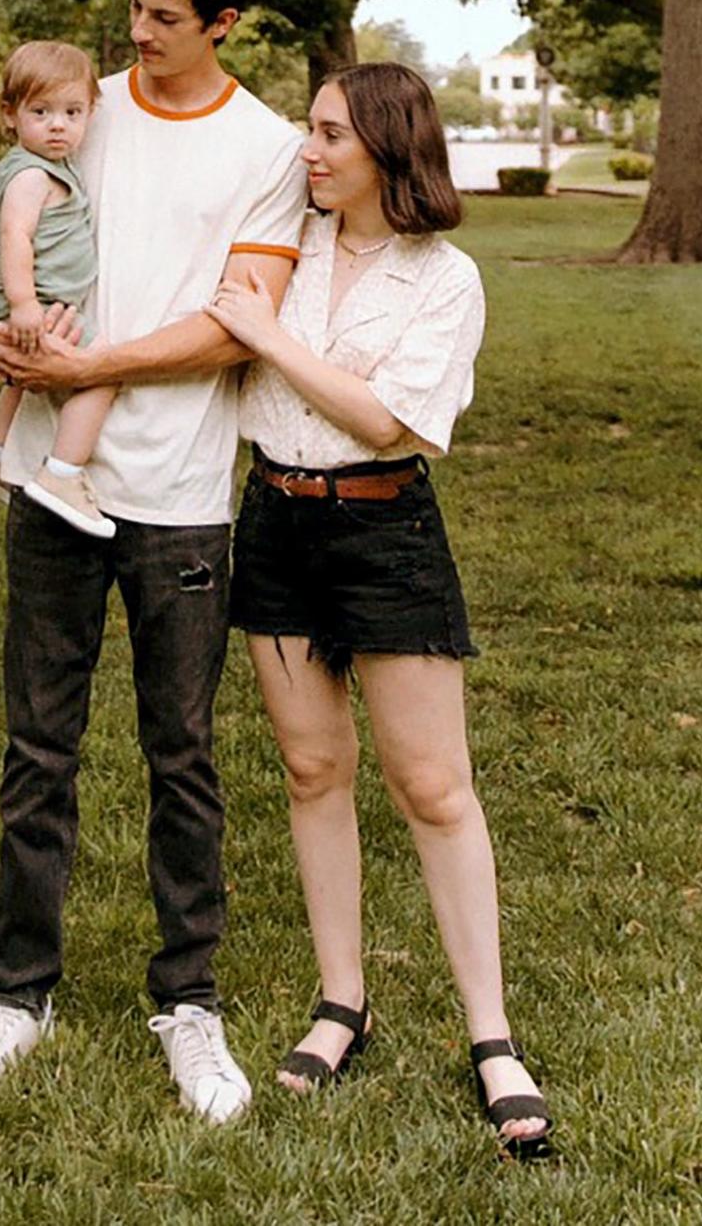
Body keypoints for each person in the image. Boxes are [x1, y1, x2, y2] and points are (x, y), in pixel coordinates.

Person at [0, 0, 306, 1125]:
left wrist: (87, 373)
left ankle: (189, 1002)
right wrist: (11, 331)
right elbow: (25, 232)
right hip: (50, 481)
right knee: (38, 746)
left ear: (225, 24)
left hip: (181, 496)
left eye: (166, 18)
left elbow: (235, 318)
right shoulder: (84, 104)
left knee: (180, 755)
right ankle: (14, 997)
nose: (138, 34)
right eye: (133, 7)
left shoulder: (269, 147)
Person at [205, 62, 553, 1159]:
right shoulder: (284, 247)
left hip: (386, 531)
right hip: (274, 522)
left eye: (327, 135)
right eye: (308, 130)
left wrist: (271, 340)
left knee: (435, 787)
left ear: (386, 151)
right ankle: (340, 999)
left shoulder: (444, 277)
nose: (306, 151)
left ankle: (491, 1034)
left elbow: (390, 419)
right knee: (314, 771)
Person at [0, 40, 115, 538]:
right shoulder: (32, 175)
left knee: (22, 376)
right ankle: (63, 474)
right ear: (10, 114)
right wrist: (24, 304)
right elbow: (15, 237)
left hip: (35, 297)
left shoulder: (48, 164)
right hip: (34, 298)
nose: (58, 124)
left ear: (91, 111)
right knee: (102, 369)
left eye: (73, 112)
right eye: (41, 111)